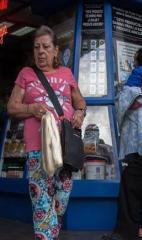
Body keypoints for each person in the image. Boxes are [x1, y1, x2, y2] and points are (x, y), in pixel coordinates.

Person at [7, 25, 86, 240]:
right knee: (42, 204)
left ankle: (49, 233)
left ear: (55, 50)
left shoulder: (66, 74)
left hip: (65, 148)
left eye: (45, 47)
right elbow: (12, 107)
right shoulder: (26, 74)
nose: (40, 51)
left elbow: (80, 101)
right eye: (36, 47)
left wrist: (79, 112)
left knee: (60, 201)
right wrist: (31, 108)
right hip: (38, 150)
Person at [109, 47, 142, 240]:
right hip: (132, 143)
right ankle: (132, 228)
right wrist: (134, 97)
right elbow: (119, 108)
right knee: (132, 188)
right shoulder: (127, 85)